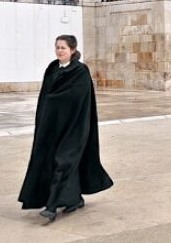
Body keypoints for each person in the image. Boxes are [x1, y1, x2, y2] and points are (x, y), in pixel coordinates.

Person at [18, 35, 113, 222]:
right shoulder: (53, 68)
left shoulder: (80, 71)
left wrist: (55, 101)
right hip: (53, 126)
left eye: (63, 48)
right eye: (57, 47)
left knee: (64, 162)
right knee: (53, 161)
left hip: (74, 126)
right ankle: (74, 199)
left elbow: (76, 99)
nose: (59, 51)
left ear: (72, 50)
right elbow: (45, 97)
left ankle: (51, 207)